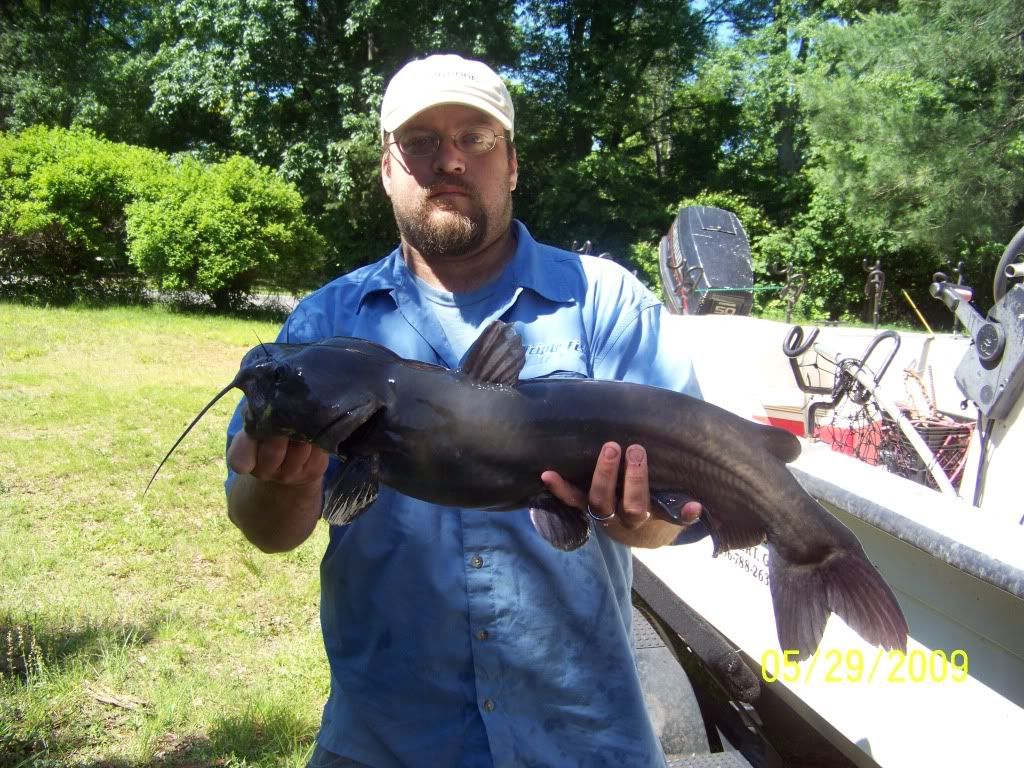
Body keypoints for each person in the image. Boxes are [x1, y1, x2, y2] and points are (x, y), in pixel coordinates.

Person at [225, 54, 703, 768]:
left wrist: (644, 519)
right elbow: (267, 530)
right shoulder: (322, 326)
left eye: (475, 138)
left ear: (511, 162)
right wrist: (282, 483)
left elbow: (667, 522)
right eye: (419, 142)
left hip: (581, 741)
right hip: (385, 742)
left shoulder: (607, 303)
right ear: (386, 168)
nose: (448, 160)